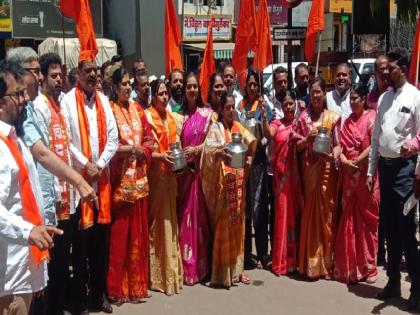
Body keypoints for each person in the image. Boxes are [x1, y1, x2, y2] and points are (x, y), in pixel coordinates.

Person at [0, 59, 63, 315]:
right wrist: (29, 231)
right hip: (8, 277)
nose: (24, 99)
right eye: (17, 94)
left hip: (21, 271)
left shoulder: (13, 139)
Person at [61, 57, 118, 314]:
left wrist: (101, 163)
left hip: (102, 182)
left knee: (100, 245)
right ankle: (81, 300)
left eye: (96, 70)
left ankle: (99, 296)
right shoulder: (67, 102)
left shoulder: (104, 100)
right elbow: (66, 140)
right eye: (88, 71)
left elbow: (114, 137)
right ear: (78, 74)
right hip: (80, 183)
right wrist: (87, 164)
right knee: (81, 247)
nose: (94, 75)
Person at [367, 48, 420, 310]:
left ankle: (418, 289)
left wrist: (418, 173)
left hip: (406, 172)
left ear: (404, 67)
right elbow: (376, 138)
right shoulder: (384, 98)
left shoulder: (416, 96)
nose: (386, 71)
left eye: (392, 67)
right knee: (389, 228)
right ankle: (393, 282)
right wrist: (370, 170)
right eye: (385, 68)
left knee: (407, 230)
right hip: (385, 172)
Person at [33, 52, 76, 315]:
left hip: (66, 194)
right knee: (52, 262)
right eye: (53, 76)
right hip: (51, 197)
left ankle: (59, 306)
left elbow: (67, 148)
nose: (59, 80)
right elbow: (43, 155)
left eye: (61, 75)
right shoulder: (39, 106)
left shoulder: (60, 106)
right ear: (42, 78)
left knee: (62, 260)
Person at [106, 68, 154, 304]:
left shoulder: (137, 109)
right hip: (119, 184)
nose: (127, 87)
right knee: (119, 237)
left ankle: (137, 286)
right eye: (123, 84)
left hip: (139, 183)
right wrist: (129, 150)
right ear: (114, 87)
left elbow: (149, 139)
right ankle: (116, 288)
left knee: (138, 235)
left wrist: (143, 150)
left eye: (129, 83)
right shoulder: (109, 110)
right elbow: (106, 146)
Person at [201, 91, 257, 287]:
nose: (231, 110)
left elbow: (252, 143)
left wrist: (249, 158)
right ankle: (222, 272)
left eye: (233, 107)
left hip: (239, 184)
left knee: (239, 226)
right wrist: (219, 152)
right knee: (225, 226)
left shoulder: (238, 127)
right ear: (220, 109)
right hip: (224, 187)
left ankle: (237, 270)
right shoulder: (215, 128)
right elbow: (207, 151)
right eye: (227, 107)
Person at [295, 77, 341, 279]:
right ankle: (309, 264)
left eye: (319, 92)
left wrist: (335, 156)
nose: (315, 96)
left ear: (324, 94)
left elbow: (338, 144)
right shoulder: (302, 118)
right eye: (313, 92)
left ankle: (327, 264)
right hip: (309, 171)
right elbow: (296, 146)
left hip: (327, 171)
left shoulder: (333, 118)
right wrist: (307, 139)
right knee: (309, 215)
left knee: (327, 217)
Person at [333, 83, 380, 284]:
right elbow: (340, 146)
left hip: (366, 176)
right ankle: (351, 267)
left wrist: (356, 163)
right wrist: (344, 162)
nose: (352, 102)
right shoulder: (347, 122)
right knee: (349, 223)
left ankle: (369, 267)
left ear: (364, 99)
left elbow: (373, 146)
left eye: (355, 98)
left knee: (368, 225)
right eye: (350, 99)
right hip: (349, 175)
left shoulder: (371, 118)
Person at [145, 79, 183, 295]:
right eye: (160, 94)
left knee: (171, 222)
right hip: (156, 176)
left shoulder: (170, 117)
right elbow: (148, 148)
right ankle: (157, 276)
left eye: (166, 93)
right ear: (152, 97)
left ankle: (172, 274)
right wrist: (161, 156)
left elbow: (176, 141)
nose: (164, 97)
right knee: (157, 224)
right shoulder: (148, 117)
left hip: (170, 178)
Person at [261, 92, 303, 276]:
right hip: (280, 176)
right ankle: (280, 261)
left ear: (295, 105)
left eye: (290, 104)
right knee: (281, 216)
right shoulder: (277, 124)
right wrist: (263, 116)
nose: (288, 107)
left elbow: (306, 143)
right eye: (285, 104)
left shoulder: (299, 123)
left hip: (296, 178)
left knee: (294, 216)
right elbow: (269, 134)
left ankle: (294, 261)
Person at [177, 73, 212, 285]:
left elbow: (215, 141)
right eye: (188, 87)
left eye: (194, 87)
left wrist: (197, 149)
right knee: (184, 222)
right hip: (182, 178)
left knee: (199, 223)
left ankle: (200, 267)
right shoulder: (178, 116)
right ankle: (185, 267)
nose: (191, 90)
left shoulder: (207, 114)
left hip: (200, 177)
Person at [237, 68, 273, 269]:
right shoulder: (240, 105)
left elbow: (269, 134)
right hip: (244, 162)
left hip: (258, 160)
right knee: (246, 208)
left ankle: (262, 253)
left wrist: (260, 132)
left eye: (255, 84)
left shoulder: (264, 105)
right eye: (249, 84)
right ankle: (247, 253)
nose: (252, 87)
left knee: (259, 208)